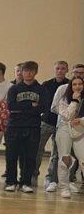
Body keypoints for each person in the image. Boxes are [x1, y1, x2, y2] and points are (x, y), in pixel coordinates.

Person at [4, 61, 45, 193]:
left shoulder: (41, 89)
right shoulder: (14, 89)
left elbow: (43, 107)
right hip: (14, 126)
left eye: (31, 71)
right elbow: (11, 106)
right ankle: (11, 181)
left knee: (30, 156)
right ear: (22, 72)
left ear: (35, 72)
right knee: (11, 155)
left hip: (33, 127)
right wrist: (31, 106)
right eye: (26, 70)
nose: (28, 73)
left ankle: (26, 182)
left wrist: (22, 108)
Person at [37, 60, 70, 191]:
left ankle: (51, 179)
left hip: (61, 123)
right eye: (57, 68)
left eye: (63, 68)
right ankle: (33, 175)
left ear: (66, 70)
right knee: (37, 149)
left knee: (56, 153)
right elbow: (41, 101)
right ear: (54, 70)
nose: (60, 71)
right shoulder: (46, 84)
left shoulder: (70, 85)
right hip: (46, 121)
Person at [53, 68, 84, 198]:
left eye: (80, 84)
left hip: (80, 129)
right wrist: (74, 101)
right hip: (64, 128)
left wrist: (81, 120)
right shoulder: (64, 99)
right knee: (65, 158)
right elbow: (66, 116)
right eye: (74, 84)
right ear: (71, 86)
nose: (77, 87)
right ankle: (64, 187)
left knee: (83, 159)